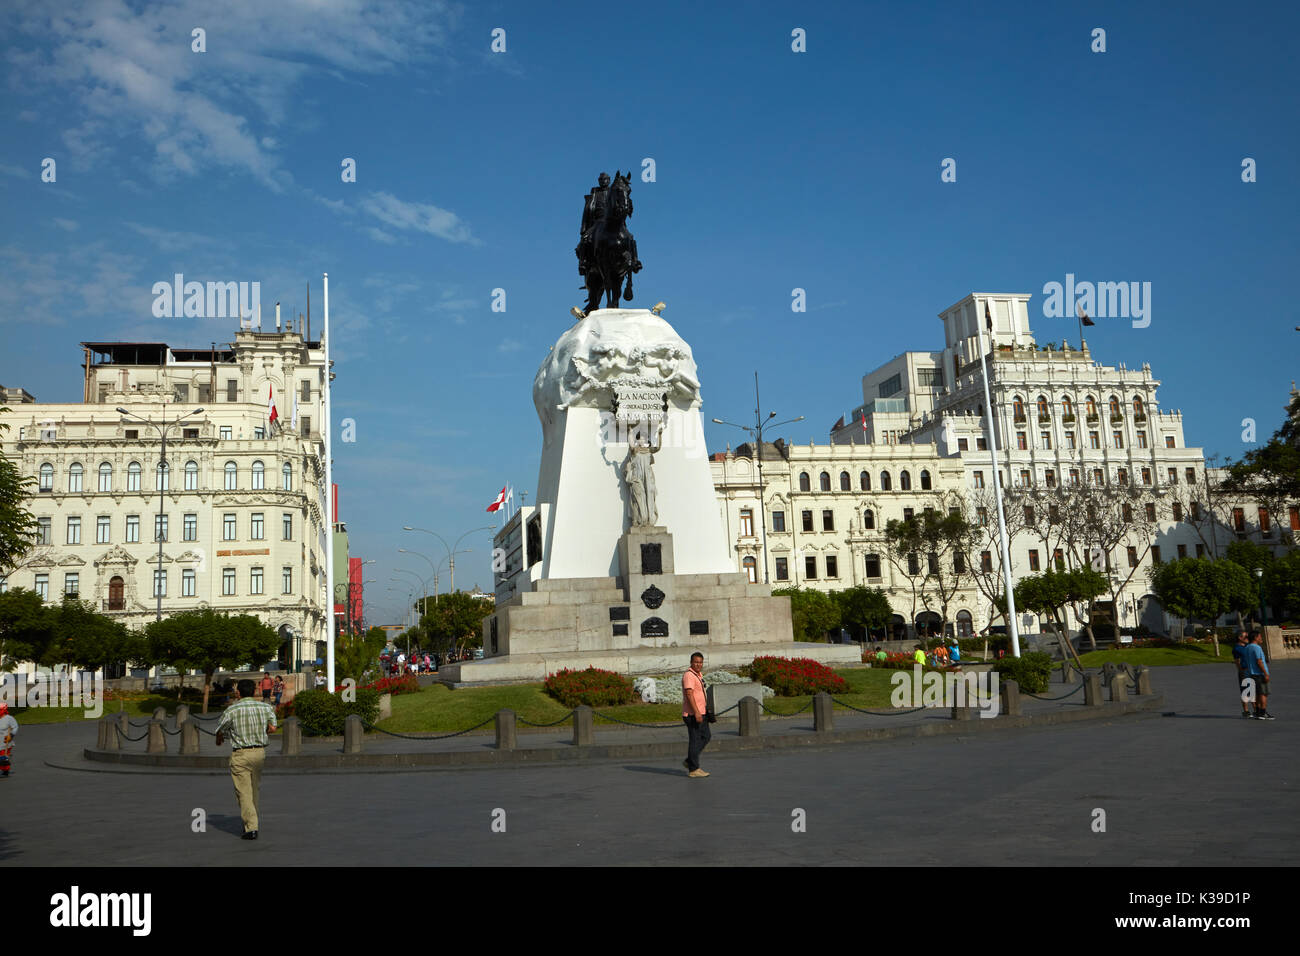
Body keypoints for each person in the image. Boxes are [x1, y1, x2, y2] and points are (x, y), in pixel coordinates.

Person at [213, 678, 278, 840]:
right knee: (254, 788)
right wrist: (262, 733)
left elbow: (220, 729)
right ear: (255, 691)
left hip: (240, 754)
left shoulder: (232, 710)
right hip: (259, 753)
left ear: (238, 693)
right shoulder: (265, 707)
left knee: (243, 791)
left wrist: (220, 738)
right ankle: (250, 822)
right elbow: (273, 727)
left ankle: (251, 828)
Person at [681, 652, 710, 778]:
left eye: (700, 662)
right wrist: (697, 712)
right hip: (693, 714)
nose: (698, 664)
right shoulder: (689, 675)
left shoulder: (697, 674)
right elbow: (689, 694)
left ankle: (690, 760)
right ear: (691, 662)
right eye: (696, 662)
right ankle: (694, 769)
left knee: (706, 736)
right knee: (695, 740)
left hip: (701, 713)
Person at [1242, 632, 1273, 720]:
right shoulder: (1257, 647)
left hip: (1250, 674)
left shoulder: (1247, 647)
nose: (1261, 638)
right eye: (1260, 636)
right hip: (1259, 674)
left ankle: (1258, 712)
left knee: (1257, 694)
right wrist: (1265, 674)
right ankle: (1262, 713)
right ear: (1255, 637)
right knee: (1263, 693)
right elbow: (1259, 661)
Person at [1232, 631, 1252, 718]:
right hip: (1244, 671)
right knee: (1245, 691)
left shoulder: (1248, 646)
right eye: (1246, 636)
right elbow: (1237, 662)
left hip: (1252, 671)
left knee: (1253, 690)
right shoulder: (1237, 648)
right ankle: (1246, 711)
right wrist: (1241, 671)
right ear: (1240, 638)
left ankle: (1256, 710)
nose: (1248, 638)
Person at [0, 703, 17, 778]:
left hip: (5, 742)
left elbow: (15, 727)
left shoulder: (9, 718)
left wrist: (11, 735)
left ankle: (5, 771)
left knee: (3, 756)